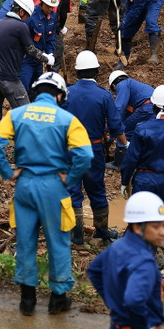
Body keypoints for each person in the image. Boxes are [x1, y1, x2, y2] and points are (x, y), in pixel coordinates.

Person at [0, 72, 93, 316]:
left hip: (25, 185)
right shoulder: (68, 119)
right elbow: (85, 156)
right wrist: (72, 178)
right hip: (53, 186)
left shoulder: (15, 114)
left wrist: (8, 171)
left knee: (25, 242)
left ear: (36, 92)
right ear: (59, 95)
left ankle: (27, 300)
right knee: (58, 242)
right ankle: (58, 299)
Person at [64, 51, 127, 244]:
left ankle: (76, 234)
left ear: (77, 71)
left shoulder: (66, 92)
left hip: (70, 149)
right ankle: (101, 230)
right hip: (93, 150)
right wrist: (125, 145)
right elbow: (116, 125)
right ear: (97, 71)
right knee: (97, 190)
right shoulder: (104, 95)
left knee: (72, 190)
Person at [88, 191, 164, 329]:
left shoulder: (118, 245)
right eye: (156, 226)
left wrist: (113, 302)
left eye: (163, 225)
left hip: (117, 328)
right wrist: (146, 328)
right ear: (138, 227)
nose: (163, 232)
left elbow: (94, 270)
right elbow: (133, 300)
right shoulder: (145, 261)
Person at [0, 0, 53, 117]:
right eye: (26, 16)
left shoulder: (0, 23)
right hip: (9, 78)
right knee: (25, 113)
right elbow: (30, 50)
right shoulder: (20, 26)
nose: (26, 19)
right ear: (21, 12)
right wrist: (46, 58)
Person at [113, 0, 164, 66]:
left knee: (150, 21)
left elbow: (137, 10)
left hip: (152, 1)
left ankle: (154, 55)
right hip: (134, 0)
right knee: (127, 30)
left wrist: (124, 22)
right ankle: (124, 60)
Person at [107, 70, 154, 164]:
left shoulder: (122, 85)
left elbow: (119, 108)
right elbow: (125, 115)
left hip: (146, 107)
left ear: (113, 86)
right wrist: (112, 134)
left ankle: (120, 162)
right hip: (154, 107)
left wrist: (111, 125)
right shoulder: (132, 87)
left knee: (126, 130)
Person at [20, 0, 60, 93]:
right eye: (48, 6)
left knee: (36, 88)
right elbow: (23, 41)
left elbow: (50, 38)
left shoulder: (52, 17)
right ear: (42, 2)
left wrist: (50, 53)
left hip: (39, 60)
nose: (51, 9)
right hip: (26, 59)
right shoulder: (31, 17)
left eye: (53, 7)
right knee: (24, 88)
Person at [35, 0, 71, 73]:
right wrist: (60, 28)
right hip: (51, 23)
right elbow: (63, 13)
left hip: (34, 22)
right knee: (57, 50)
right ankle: (53, 73)